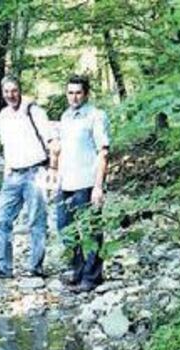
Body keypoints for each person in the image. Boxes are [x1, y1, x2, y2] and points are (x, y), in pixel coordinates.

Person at [0, 75, 58, 280]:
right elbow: (7, 146)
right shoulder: (3, 115)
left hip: (35, 173)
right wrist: (6, 170)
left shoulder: (34, 111)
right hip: (13, 175)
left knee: (36, 221)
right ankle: (3, 268)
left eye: (14, 91)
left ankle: (35, 267)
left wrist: (53, 170)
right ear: (2, 93)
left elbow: (53, 142)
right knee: (0, 221)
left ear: (20, 90)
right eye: (7, 91)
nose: (11, 95)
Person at [53, 74, 110, 292]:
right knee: (64, 229)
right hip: (66, 183)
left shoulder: (96, 116)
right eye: (70, 92)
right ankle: (77, 270)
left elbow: (103, 152)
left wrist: (98, 186)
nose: (74, 97)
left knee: (91, 230)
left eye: (78, 92)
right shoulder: (65, 117)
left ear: (86, 93)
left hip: (87, 181)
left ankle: (92, 276)